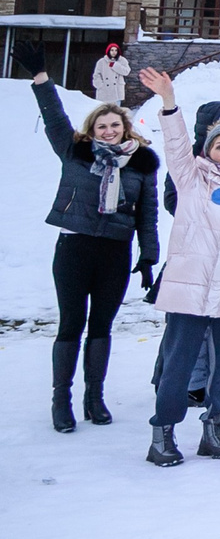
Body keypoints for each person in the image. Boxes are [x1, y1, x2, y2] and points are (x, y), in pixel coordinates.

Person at [132, 68, 220, 467]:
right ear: (208, 151)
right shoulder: (192, 179)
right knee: (179, 364)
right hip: (190, 288)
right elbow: (176, 144)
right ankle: (163, 433)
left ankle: (214, 429)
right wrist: (169, 101)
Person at [32, 69, 160, 435]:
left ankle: (94, 397)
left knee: (101, 326)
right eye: (101, 126)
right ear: (92, 130)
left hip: (115, 252)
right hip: (75, 247)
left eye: (114, 126)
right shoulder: (75, 153)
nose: (108, 131)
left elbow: (148, 214)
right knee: (71, 323)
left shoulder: (142, 164)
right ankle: (61, 400)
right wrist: (42, 79)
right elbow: (55, 118)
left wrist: (149, 255)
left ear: (125, 129)